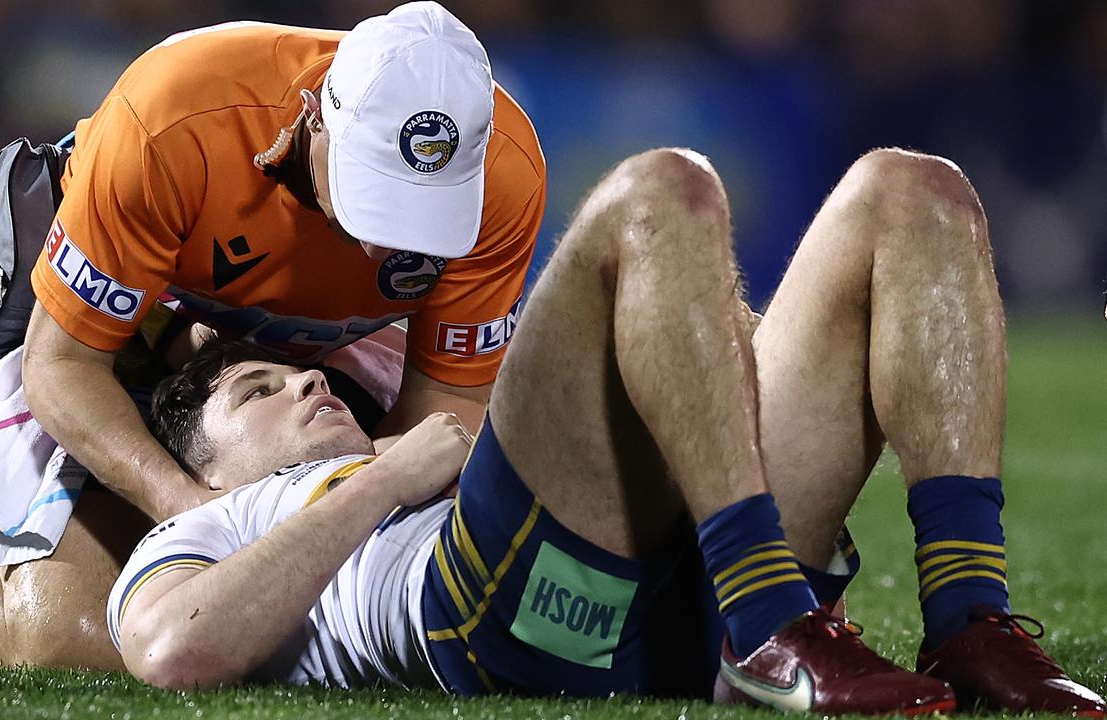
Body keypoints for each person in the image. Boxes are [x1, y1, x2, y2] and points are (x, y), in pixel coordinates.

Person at [107, 148, 1104, 713]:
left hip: (679, 592)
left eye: (295, 370)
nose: (306, 386)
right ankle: (764, 624)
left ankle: (968, 625)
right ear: (209, 469)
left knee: (912, 189)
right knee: (657, 192)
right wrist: (381, 475)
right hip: (518, 620)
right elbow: (169, 653)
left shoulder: (413, 443)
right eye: (256, 392)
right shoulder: (197, 535)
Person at [0, 1, 543, 665]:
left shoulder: (506, 177)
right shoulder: (175, 117)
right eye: (374, 193)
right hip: (125, 333)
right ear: (312, 119)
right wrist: (193, 513)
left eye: (426, 213)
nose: (388, 241)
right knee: (70, 633)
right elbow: (64, 367)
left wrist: (323, 535)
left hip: (325, 346)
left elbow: (440, 414)